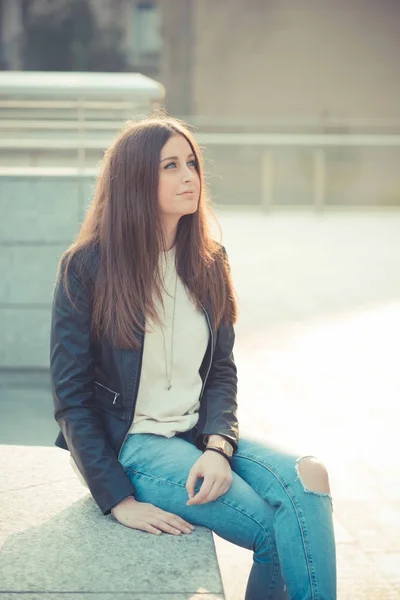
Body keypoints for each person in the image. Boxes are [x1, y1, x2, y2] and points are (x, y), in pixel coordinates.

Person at [50, 114, 337, 599]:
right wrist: (116, 498)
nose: (190, 177)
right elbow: (71, 398)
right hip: (131, 443)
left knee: (311, 477)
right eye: (170, 166)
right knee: (271, 526)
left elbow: (222, 369)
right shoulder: (88, 267)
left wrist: (218, 446)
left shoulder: (208, 260)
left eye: (192, 163)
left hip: (197, 431)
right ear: (136, 178)